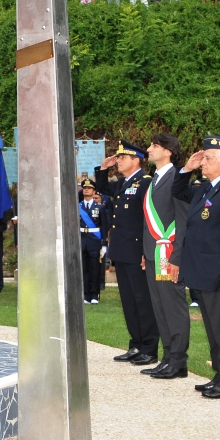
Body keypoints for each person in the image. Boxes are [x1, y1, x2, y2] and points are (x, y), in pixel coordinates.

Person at [172, 136, 220, 399]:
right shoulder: (206, 187)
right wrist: (186, 169)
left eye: (208, 158)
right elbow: (178, 191)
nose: (203, 162)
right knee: (214, 330)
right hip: (204, 273)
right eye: (203, 158)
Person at [94, 141, 160, 366]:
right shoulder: (123, 182)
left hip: (137, 251)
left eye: (123, 157)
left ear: (136, 160)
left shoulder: (146, 183)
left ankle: (149, 348)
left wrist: (145, 250)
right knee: (129, 301)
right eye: (118, 157)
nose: (119, 160)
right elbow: (103, 188)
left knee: (143, 300)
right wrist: (103, 168)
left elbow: (148, 220)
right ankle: (136, 344)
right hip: (121, 250)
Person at [140, 133, 191, 380]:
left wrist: (177, 258)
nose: (149, 149)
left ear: (168, 151)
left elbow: (182, 222)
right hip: (153, 254)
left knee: (173, 306)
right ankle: (167, 357)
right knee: (160, 307)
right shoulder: (155, 179)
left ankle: (179, 361)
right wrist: (146, 253)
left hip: (168, 254)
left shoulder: (177, 178)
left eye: (154, 146)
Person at [79, 179, 108, 304]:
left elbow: (105, 226)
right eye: (84, 188)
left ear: (94, 191)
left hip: (94, 241)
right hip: (81, 240)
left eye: (89, 188)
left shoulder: (100, 207)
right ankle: (86, 295)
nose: (86, 189)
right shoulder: (77, 207)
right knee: (84, 269)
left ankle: (95, 295)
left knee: (95, 268)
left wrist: (104, 244)